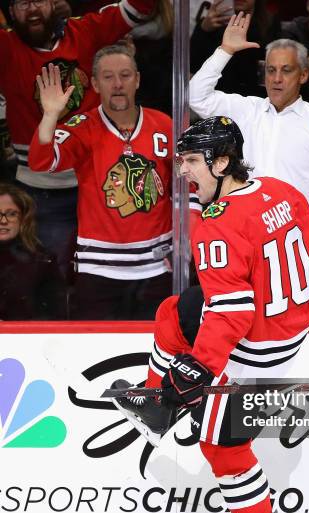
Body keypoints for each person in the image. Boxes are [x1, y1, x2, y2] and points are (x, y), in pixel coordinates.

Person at [112, 116, 309, 513]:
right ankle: (156, 404)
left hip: (255, 350)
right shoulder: (281, 191)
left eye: (191, 161)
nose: (184, 171)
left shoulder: (216, 224)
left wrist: (196, 372)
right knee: (176, 311)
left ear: (223, 162)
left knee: (222, 448)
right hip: (289, 331)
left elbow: (232, 313)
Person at [0, 0, 155, 275]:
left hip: (100, 184)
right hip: (39, 192)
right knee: (52, 279)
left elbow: (142, 6)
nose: (32, 9)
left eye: (39, 0)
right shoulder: (6, 47)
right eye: (23, 3)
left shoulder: (85, 31)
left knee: (104, 275)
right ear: (10, 12)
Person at [189, 12, 309, 254]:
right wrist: (225, 50)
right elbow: (196, 97)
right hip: (248, 245)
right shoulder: (248, 110)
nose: (276, 79)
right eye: (271, 70)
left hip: (300, 249)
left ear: (304, 75)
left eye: (286, 70)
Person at [28, 45, 174, 320]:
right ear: (94, 83)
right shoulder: (82, 126)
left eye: (125, 75)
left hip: (156, 268)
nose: (118, 84)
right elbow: (42, 161)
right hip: (98, 270)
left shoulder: (164, 125)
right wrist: (50, 115)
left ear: (138, 79)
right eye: (108, 77)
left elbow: (186, 185)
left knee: (155, 353)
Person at [0, 182, 66, 319]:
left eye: (11, 214)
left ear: (23, 218)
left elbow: (55, 316)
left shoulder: (43, 261)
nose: (3, 221)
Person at [190, 0, 282, 98]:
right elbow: (194, 66)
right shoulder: (211, 24)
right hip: (220, 97)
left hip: (257, 98)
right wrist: (204, 30)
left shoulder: (269, 22)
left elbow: (274, 64)